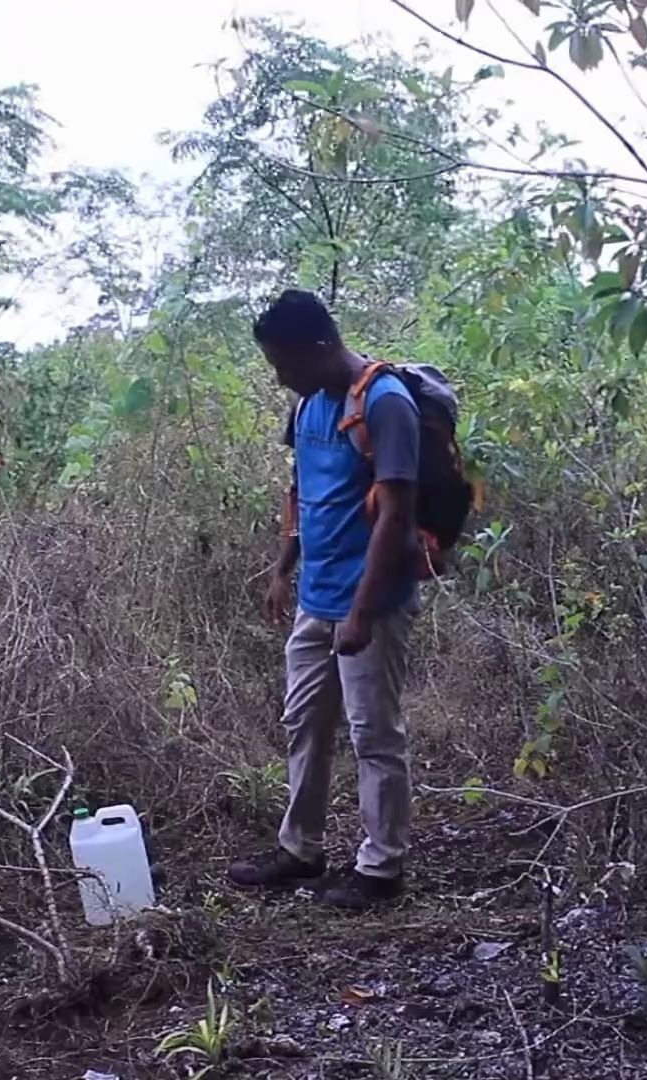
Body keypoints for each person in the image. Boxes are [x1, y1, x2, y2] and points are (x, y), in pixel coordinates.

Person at [228, 289, 421, 909]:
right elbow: (303, 490)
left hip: (371, 602)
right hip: (316, 596)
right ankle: (300, 850)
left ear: (318, 348)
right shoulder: (308, 402)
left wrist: (362, 612)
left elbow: (396, 515)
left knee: (374, 735)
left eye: (284, 364)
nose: (280, 378)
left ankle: (381, 870)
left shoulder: (386, 404)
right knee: (304, 723)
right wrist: (284, 568)